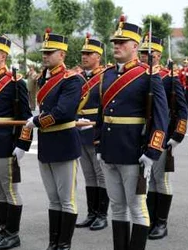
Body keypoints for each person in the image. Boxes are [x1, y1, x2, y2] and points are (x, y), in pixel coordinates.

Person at [94, 16, 169, 250]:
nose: (117, 45)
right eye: (115, 41)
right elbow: (101, 113)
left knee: (137, 207)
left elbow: (161, 117)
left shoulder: (148, 75)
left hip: (134, 150)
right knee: (117, 206)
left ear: (135, 46)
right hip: (109, 149)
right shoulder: (106, 75)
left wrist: (152, 150)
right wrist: (98, 144)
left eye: (123, 42)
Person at [25, 28, 85, 250]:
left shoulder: (71, 80)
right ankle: (53, 243)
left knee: (67, 198)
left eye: (50, 52)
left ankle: (64, 244)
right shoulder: (42, 78)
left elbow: (64, 112)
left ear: (62, 55)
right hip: (47, 143)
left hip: (64, 141)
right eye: (44, 52)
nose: (45, 56)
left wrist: (37, 122)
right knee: (53, 198)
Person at [0, 32, 33, 250]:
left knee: (10, 190)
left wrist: (22, 145)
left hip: (5, 143)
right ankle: (3, 232)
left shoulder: (15, 81)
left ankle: (13, 234)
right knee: (0, 191)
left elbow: (25, 116)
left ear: (4, 55)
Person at [139, 35, 188, 240]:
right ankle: (149, 219)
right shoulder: (137, 76)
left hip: (162, 134)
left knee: (161, 180)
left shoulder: (169, 77)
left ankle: (161, 222)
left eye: (149, 53)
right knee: (148, 181)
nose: (144, 56)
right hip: (141, 134)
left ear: (158, 55)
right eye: (142, 52)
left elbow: (182, 110)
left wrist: (177, 135)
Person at [75, 34, 109, 231]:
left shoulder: (104, 77)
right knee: (88, 174)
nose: (84, 57)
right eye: (83, 54)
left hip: (96, 129)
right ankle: (91, 213)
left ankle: (102, 214)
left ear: (98, 56)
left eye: (89, 54)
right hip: (80, 129)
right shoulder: (78, 78)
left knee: (100, 173)